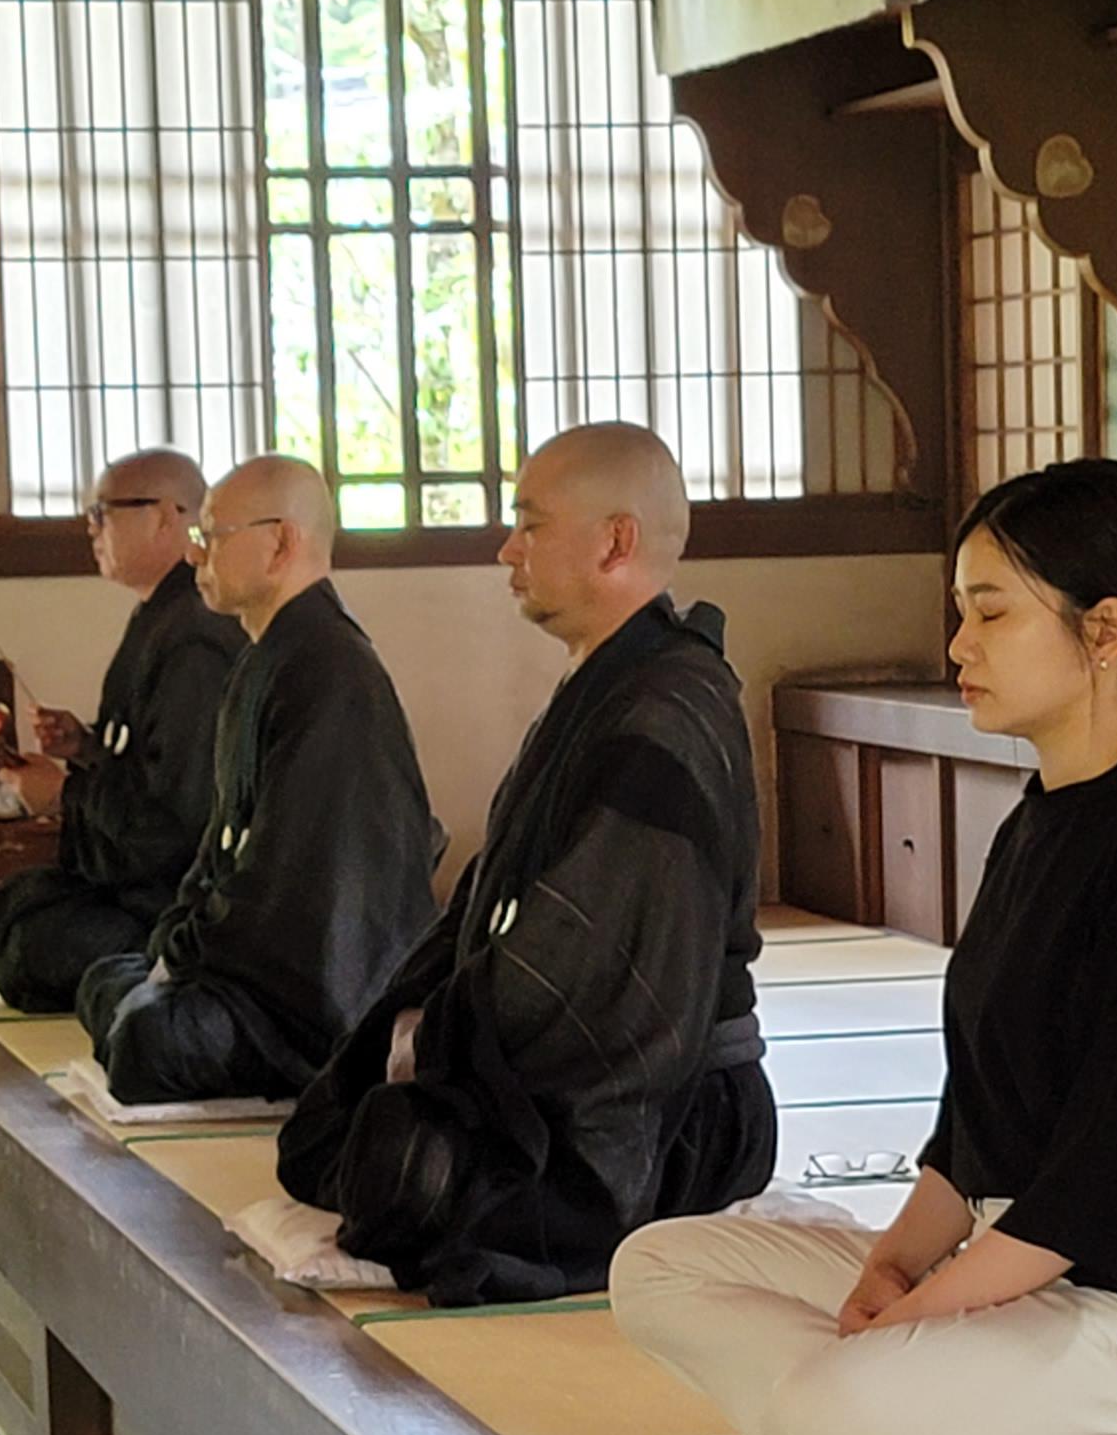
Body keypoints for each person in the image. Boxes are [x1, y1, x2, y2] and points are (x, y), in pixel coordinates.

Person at [608, 458, 1117, 1435]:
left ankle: (868, 1421)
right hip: (1006, 1268)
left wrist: (924, 1312)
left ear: (1102, 632)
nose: (958, 647)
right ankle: (906, 1412)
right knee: (656, 1265)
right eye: (958, 614)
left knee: (836, 1428)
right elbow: (975, 1126)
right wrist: (890, 1269)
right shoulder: (1033, 819)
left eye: (990, 614)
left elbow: (1112, 1170)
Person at [276, 425, 777, 1305]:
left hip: (669, 1111)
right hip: (567, 1069)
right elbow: (483, 904)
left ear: (615, 541)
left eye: (529, 525)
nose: (507, 551)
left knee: (418, 1178)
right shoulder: (608, 686)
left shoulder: (667, 707)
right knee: (336, 1128)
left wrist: (438, 1037)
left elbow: (601, 965)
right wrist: (408, 1019)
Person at [75, 456, 440, 1105]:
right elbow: (220, 846)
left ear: (280, 542)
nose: (195, 557)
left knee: (144, 1038)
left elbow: (283, 882)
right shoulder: (264, 660)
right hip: (252, 966)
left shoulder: (329, 674)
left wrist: (182, 959)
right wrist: (174, 948)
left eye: (212, 537)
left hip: (315, 992)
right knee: (105, 980)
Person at [0, 449, 244, 1013]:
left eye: (102, 511)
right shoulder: (159, 616)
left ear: (166, 516)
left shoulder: (193, 636)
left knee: (27, 948)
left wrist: (65, 794)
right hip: (128, 887)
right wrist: (85, 747)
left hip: (172, 900)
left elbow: (176, 823)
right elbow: (145, 756)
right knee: (6, 906)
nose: (90, 528)